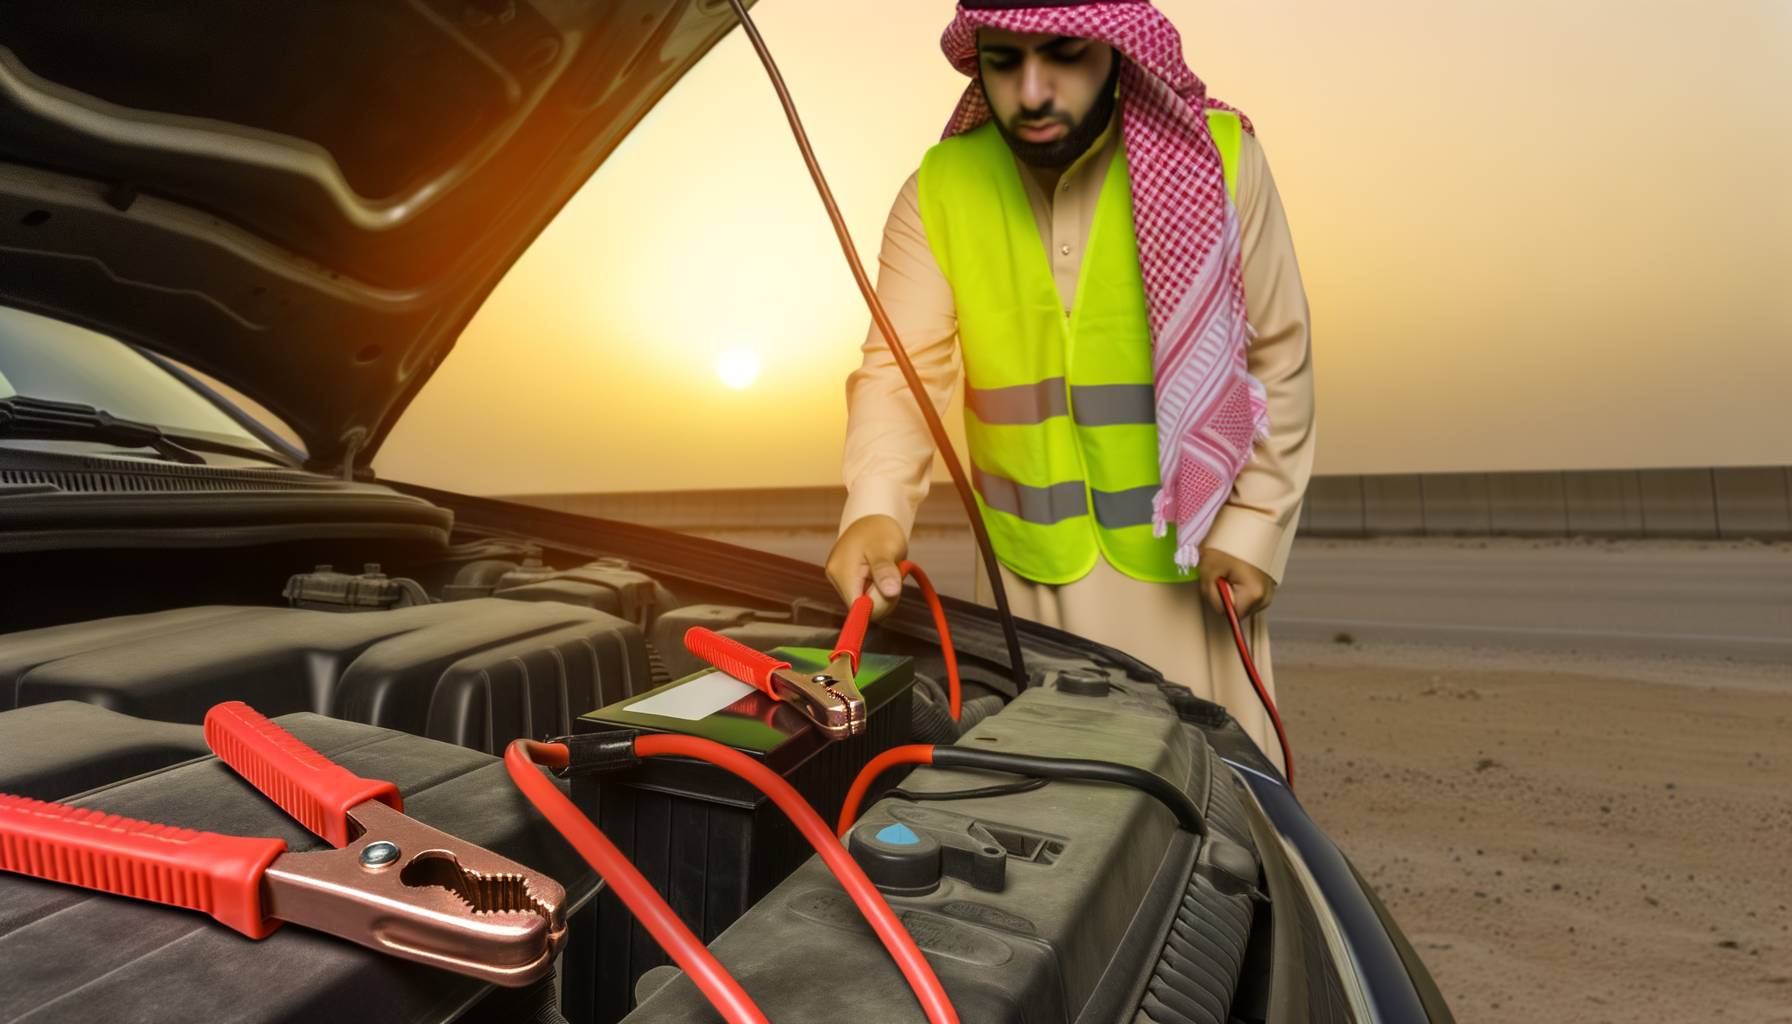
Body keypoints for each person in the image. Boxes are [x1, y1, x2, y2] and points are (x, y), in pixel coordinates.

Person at [825, 0, 1314, 763]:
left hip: (1192, 578)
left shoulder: (1218, 160)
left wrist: (1256, 523)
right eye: (1004, 61)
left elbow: (1277, 354)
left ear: (1118, 47)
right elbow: (900, 371)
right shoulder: (938, 190)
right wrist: (876, 510)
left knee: (1222, 820)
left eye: (1062, 55)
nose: (1031, 92)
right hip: (1027, 592)